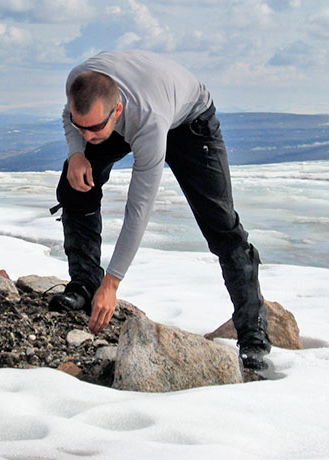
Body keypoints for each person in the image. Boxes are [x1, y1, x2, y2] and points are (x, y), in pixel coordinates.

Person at [49, 49, 271, 370]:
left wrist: (112, 284)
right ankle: (84, 284)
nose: (88, 136)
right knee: (75, 184)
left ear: (117, 110)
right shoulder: (80, 82)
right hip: (134, 107)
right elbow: (73, 119)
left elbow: (138, 209)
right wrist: (76, 152)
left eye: (94, 128)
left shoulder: (147, 120)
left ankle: (253, 333)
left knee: (221, 225)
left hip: (190, 121)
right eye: (80, 126)